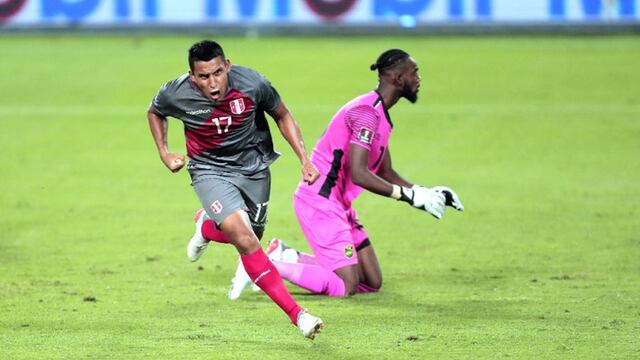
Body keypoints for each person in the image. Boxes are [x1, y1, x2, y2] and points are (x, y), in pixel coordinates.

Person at [228, 48, 464, 299]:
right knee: (346, 285)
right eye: (414, 72)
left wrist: (424, 193)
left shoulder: (379, 114)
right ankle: (261, 266)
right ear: (397, 79)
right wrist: (409, 197)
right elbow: (361, 174)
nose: (418, 78)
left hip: (338, 203)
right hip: (319, 199)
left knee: (371, 281)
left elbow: (385, 171)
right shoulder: (366, 114)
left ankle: (286, 255)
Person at [146, 40, 323, 339]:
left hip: (253, 168)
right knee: (246, 241)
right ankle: (299, 315)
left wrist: (304, 158)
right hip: (209, 170)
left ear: (227, 65)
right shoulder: (175, 92)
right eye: (203, 77)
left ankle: (206, 227)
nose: (213, 83)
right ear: (192, 76)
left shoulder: (252, 84)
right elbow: (155, 111)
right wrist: (164, 152)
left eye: (217, 73)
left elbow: (282, 114)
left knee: (251, 236)